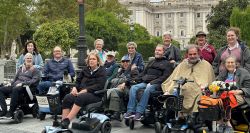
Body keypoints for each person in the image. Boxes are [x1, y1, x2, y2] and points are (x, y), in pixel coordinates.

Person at [124, 44, 174, 120]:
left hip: (158, 84)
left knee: (148, 87)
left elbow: (165, 77)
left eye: (159, 50)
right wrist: (135, 79)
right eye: (156, 50)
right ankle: (130, 111)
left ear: (164, 52)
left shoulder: (167, 64)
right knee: (133, 87)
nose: (157, 52)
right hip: (146, 82)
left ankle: (139, 112)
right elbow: (143, 73)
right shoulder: (151, 61)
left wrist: (153, 82)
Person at [162, 45, 215, 113]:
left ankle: (194, 116)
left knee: (200, 93)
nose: (192, 56)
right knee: (174, 90)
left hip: (198, 88)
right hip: (183, 87)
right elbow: (174, 77)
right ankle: (177, 116)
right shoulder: (182, 64)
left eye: (194, 54)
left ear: (198, 53)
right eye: (190, 54)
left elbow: (210, 80)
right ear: (187, 54)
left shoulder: (206, 65)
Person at [61, 51, 106, 129]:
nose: (91, 61)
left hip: (95, 94)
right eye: (90, 59)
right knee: (67, 97)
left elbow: (100, 85)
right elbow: (78, 81)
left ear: (98, 61)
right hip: (81, 93)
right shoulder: (85, 69)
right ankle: (63, 123)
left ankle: (67, 120)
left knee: (81, 97)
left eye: (93, 59)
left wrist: (86, 90)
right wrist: (75, 88)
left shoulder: (102, 70)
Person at [0, 53, 41, 118]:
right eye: (27, 58)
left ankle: (11, 111)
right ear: (24, 59)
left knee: (15, 89)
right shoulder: (21, 69)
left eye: (30, 58)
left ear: (32, 60)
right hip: (15, 86)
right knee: (1, 89)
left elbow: (34, 80)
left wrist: (23, 83)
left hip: (26, 88)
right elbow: (15, 79)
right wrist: (10, 83)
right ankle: (4, 110)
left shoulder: (35, 70)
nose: (29, 59)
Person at [216, 56, 250, 132]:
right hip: (225, 95)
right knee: (215, 101)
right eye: (228, 62)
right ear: (225, 64)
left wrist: (240, 91)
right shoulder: (223, 73)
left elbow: (249, 88)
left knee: (226, 100)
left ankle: (228, 124)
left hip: (242, 96)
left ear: (236, 64)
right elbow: (216, 83)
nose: (230, 64)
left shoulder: (243, 73)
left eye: (232, 62)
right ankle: (220, 123)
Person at [105, 55, 139, 120]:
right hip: (118, 88)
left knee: (112, 91)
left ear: (130, 62)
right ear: (121, 63)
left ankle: (116, 112)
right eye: (123, 61)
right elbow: (113, 80)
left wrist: (125, 83)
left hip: (129, 89)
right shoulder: (120, 71)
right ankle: (111, 111)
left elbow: (135, 80)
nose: (125, 63)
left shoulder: (134, 70)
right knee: (110, 91)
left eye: (127, 61)